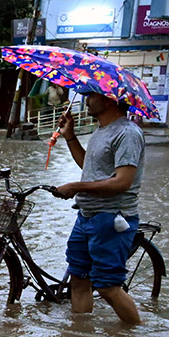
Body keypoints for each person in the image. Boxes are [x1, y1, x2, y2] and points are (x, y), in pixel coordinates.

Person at [52, 92, 146, 325]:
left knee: (107, 287)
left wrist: (76, 186)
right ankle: (81, 336)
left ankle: (134, 335)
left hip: (112, 218)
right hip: (86, 215)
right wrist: (70, 137)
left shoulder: (127, 133)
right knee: (79, 279)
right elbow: (90, 167)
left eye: (91, 96)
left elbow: (122, 181)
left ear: (109, 100)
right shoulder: (101, 131)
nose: (86, 100)